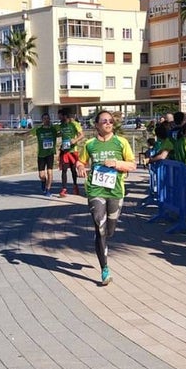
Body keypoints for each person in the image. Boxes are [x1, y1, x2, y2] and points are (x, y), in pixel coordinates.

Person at [76, 111, 137, 286]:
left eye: (111, 121)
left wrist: (116, 164)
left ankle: (104, 240)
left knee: (109, 230)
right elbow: (81, 162)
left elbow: (132, 165)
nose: (108, 123)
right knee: (99, 225)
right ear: (96, 125)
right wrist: (80, 167)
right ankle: (105, 269)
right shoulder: (90, 144)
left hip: (116, 191)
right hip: (96, 190)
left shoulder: (121, 142)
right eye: (104, 121)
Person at [57, 107, 84, 197]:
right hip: (65, 150)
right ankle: (64, 189)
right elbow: (60, 134)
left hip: (73, 150)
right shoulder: (61, 125)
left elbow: (82, 135)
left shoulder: (74, 124)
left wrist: (75, 140)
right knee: (64, 170)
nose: (59, 118)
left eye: (60, 116)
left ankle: (75, 185)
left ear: (65, 115)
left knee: (73, 170)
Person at [34, 113, 57, 196]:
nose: (46, 120)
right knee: (41, 175)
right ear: (42, 120)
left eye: (47, 118)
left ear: (49, 119)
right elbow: (29, 132)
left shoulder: (53, 129)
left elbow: (62, 131)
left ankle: (48, 189)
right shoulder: (38, 130)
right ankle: (43, 182)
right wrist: (20, 135)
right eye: (44, 118)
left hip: (50, 154)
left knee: (50, 173)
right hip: (41, 155)